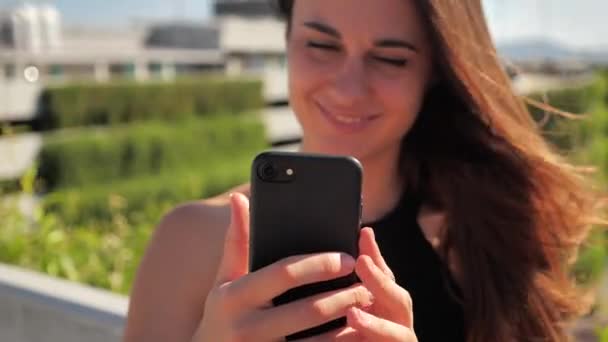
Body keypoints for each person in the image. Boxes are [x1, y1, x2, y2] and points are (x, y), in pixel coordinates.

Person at [123, 1, 603, 341]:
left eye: (390, 58)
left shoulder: (480, 236)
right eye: (321, 45)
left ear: (436, 70)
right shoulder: (187, 242)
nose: (350, 89)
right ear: (287, 39)